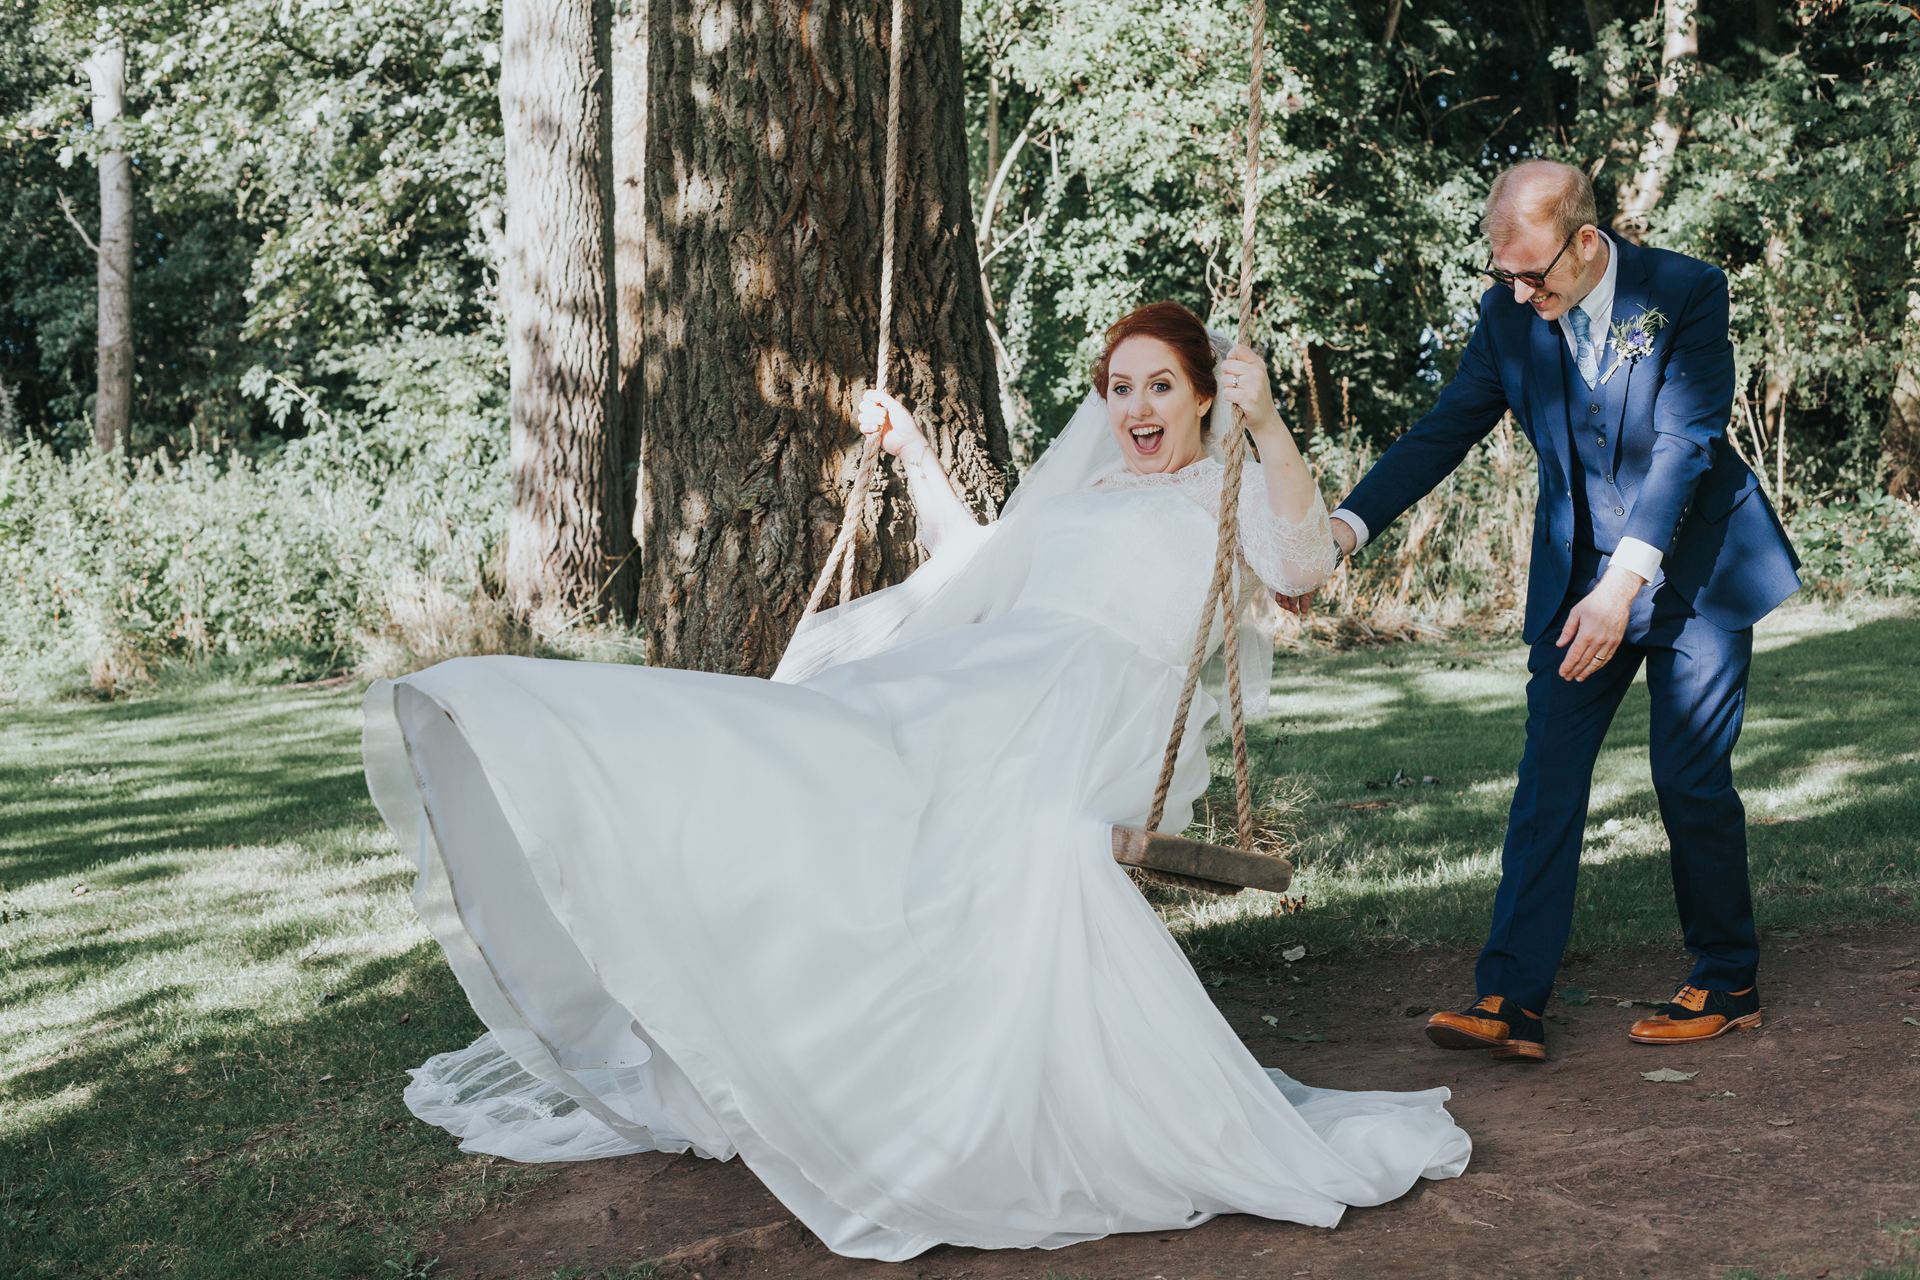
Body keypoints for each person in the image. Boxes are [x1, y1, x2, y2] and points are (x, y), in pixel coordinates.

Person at [363, 301, 1470, 1261]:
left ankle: (888, 1091)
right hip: (981, 675)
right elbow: (977, 563)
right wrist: (914, 456)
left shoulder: (1221, 494)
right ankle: (553, 739)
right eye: (1120, 385)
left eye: (1162, 386)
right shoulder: (1083, 484)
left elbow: (1304, 571)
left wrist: (1269, 424)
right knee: (828, 748)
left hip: (1083, 722)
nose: (1137, 406)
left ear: (1201, 396)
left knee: (944, 815)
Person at [1324, 161, 1801, 1062]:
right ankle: (1509, 998)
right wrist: (1346, 529)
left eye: (1533, 274)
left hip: (1697, 570)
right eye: (1504, 273)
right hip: (1578, 582)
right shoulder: (1509, 312)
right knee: (1547, 778)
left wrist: (1625, 587)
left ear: (1586, 242)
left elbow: (1684, 443)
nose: (1518, 291)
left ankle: (1728, 977)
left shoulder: (1686, 290)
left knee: (1689, 776)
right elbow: (1445, 427)